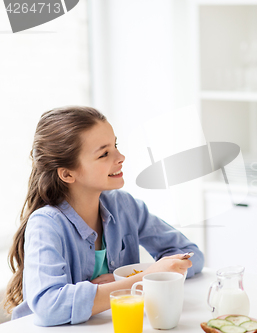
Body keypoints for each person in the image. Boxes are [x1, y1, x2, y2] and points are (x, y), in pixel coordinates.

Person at [3, 106, 204, 326]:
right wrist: (138, 282)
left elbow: (192, 255)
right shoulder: (46, 224)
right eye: (104, 154)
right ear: (67, 173)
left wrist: (149, 273)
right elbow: (49, 306)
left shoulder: (124, 206)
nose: (121, 157)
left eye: (115, 146)